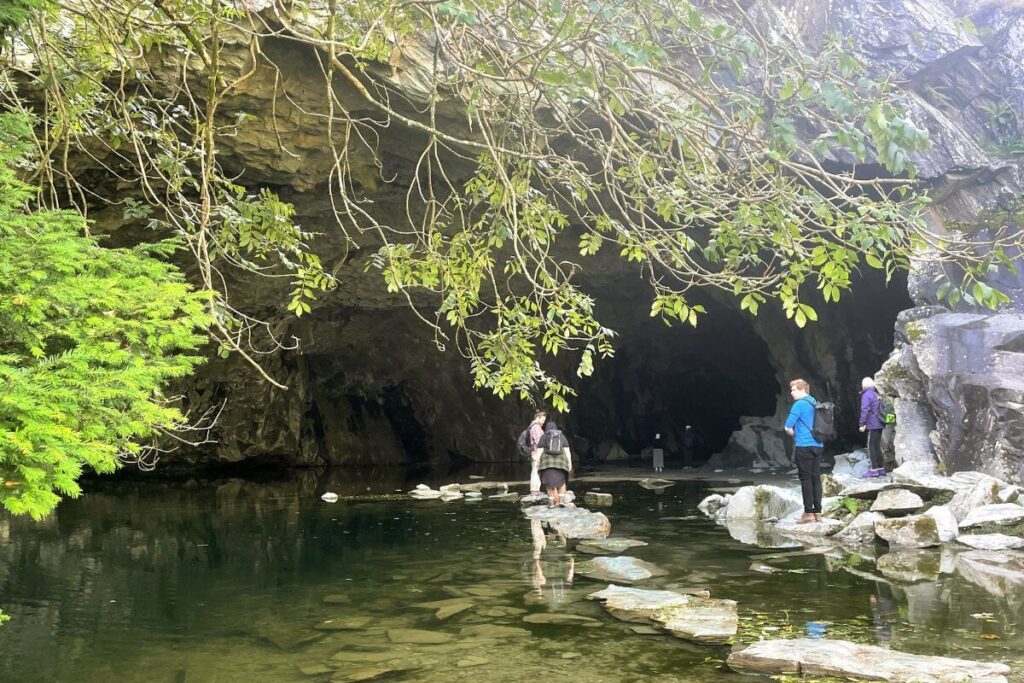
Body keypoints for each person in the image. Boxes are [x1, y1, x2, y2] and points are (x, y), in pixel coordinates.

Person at [784, 378, 824, 523]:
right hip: (818, 446)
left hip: (804, 446)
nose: (791, 393)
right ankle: (818, 513)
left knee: (805, 479)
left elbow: (788, 426)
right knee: (815, 478)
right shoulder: (815, 402)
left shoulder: (799, 405)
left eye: (794, 389)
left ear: (802, 390)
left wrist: (793, 433)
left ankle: (808, 513)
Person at [534, 420, 573, 506]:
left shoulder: (544, 437)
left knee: (549, 484)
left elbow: (539, 452)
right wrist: (570, 463)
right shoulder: (562, 436)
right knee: (562, 483)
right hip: (561, 464)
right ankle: (562, 502)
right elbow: (567, 451)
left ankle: (552, 504)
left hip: (547, 465)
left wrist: (537, 463)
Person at [859, 377, 886, 477]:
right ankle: (881, 468)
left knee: (871, 447)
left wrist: (862, 424)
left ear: (864, 385)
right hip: (880, 423)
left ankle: (873, 470)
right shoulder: (875, 394)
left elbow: (865, 410)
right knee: (877, 446)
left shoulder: (866, 395)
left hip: (873, 424)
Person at [528, 409, 546, 494]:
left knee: (536, 470)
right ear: (538, 418)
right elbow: (539, 442)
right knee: (535, 470)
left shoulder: (535, 427)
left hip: (537, 453)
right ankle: (534, 490)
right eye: (543, 420)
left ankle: (535, 489)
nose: (543, 422)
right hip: (536, 453)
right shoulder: (535, 427)